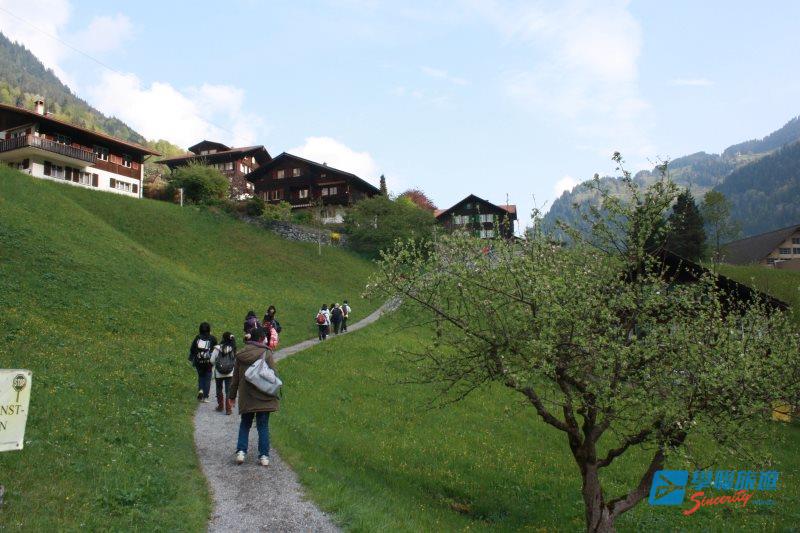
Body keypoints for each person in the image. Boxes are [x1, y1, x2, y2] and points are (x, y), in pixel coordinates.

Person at [229, 327, 279, 466]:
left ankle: (241, 452)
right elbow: (274, 375)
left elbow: (235, 378)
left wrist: (232, 396)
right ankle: (264, 456)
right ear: (261, 339)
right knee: (263, 426)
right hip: (264, 395)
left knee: (245, 424)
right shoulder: (266, 353)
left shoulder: (241, 354)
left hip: (246, 396)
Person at [188, 322, 217, 402]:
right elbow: (216, 349)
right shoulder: (212, 338)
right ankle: (205, 397)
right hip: (208, 362)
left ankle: (201, 390)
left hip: (199, 361)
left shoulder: (197, 338)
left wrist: (192, 357)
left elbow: (192, 349)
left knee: (201, 376)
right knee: (208, 378)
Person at [210, 332, 236, 414]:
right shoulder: (232, 348)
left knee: (219, 388)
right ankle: (228, 409)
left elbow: (212, 360)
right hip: (229, 372)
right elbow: (234, 360)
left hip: (219, 372)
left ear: (223, 338)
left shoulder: (217, 348)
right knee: (228, 390)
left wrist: (216, 365)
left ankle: (220, 406)